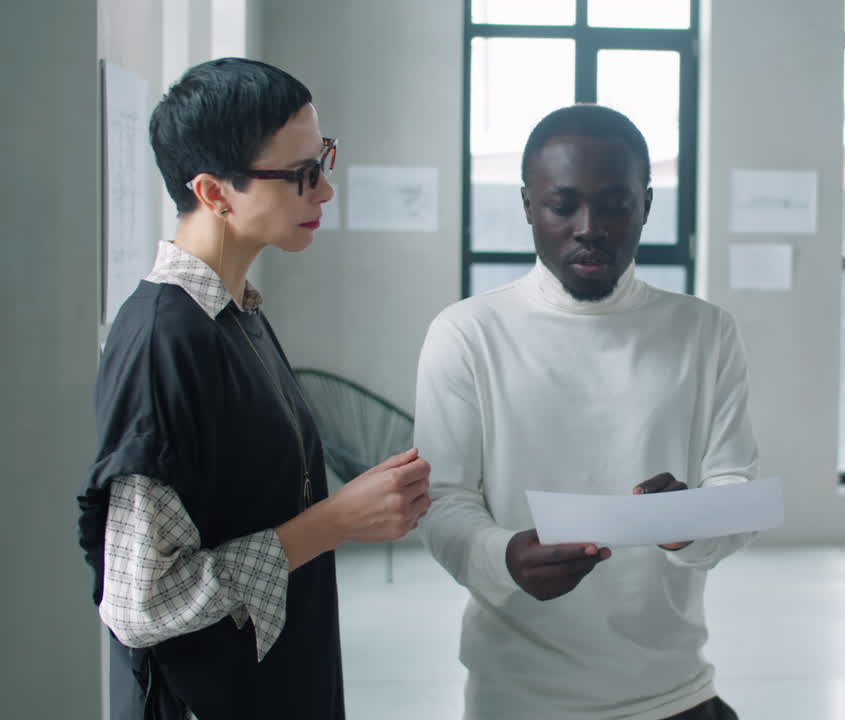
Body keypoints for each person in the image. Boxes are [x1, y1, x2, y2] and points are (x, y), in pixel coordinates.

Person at [76, 58, 431, 720]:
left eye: (322, 160)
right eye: (301, 175)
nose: (325, 191)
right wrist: (334, 523)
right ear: (214, 193)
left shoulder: (235, 312)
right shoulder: (163, 343)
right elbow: (141, 602)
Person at [414, 103, 757, 720]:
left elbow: (736, 486)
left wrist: (686, 519)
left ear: (646, 205)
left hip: (673, 693)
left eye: (615, 203)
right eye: (563, 204)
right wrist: (503, 557)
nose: (589, 226)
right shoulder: (467, 334)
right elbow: (443, 501)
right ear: (527, 205)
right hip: (517, 699)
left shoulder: (705, 333)